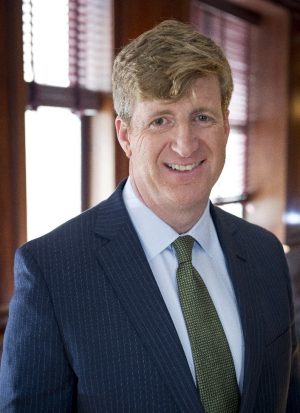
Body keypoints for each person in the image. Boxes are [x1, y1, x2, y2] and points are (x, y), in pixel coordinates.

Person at [0, 19, 299, 413]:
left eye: (202, 117)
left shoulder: (265, 253)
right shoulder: (52, 271)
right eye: (161, 120)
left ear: (226, 124)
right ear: (125, 135)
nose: (185, 143)